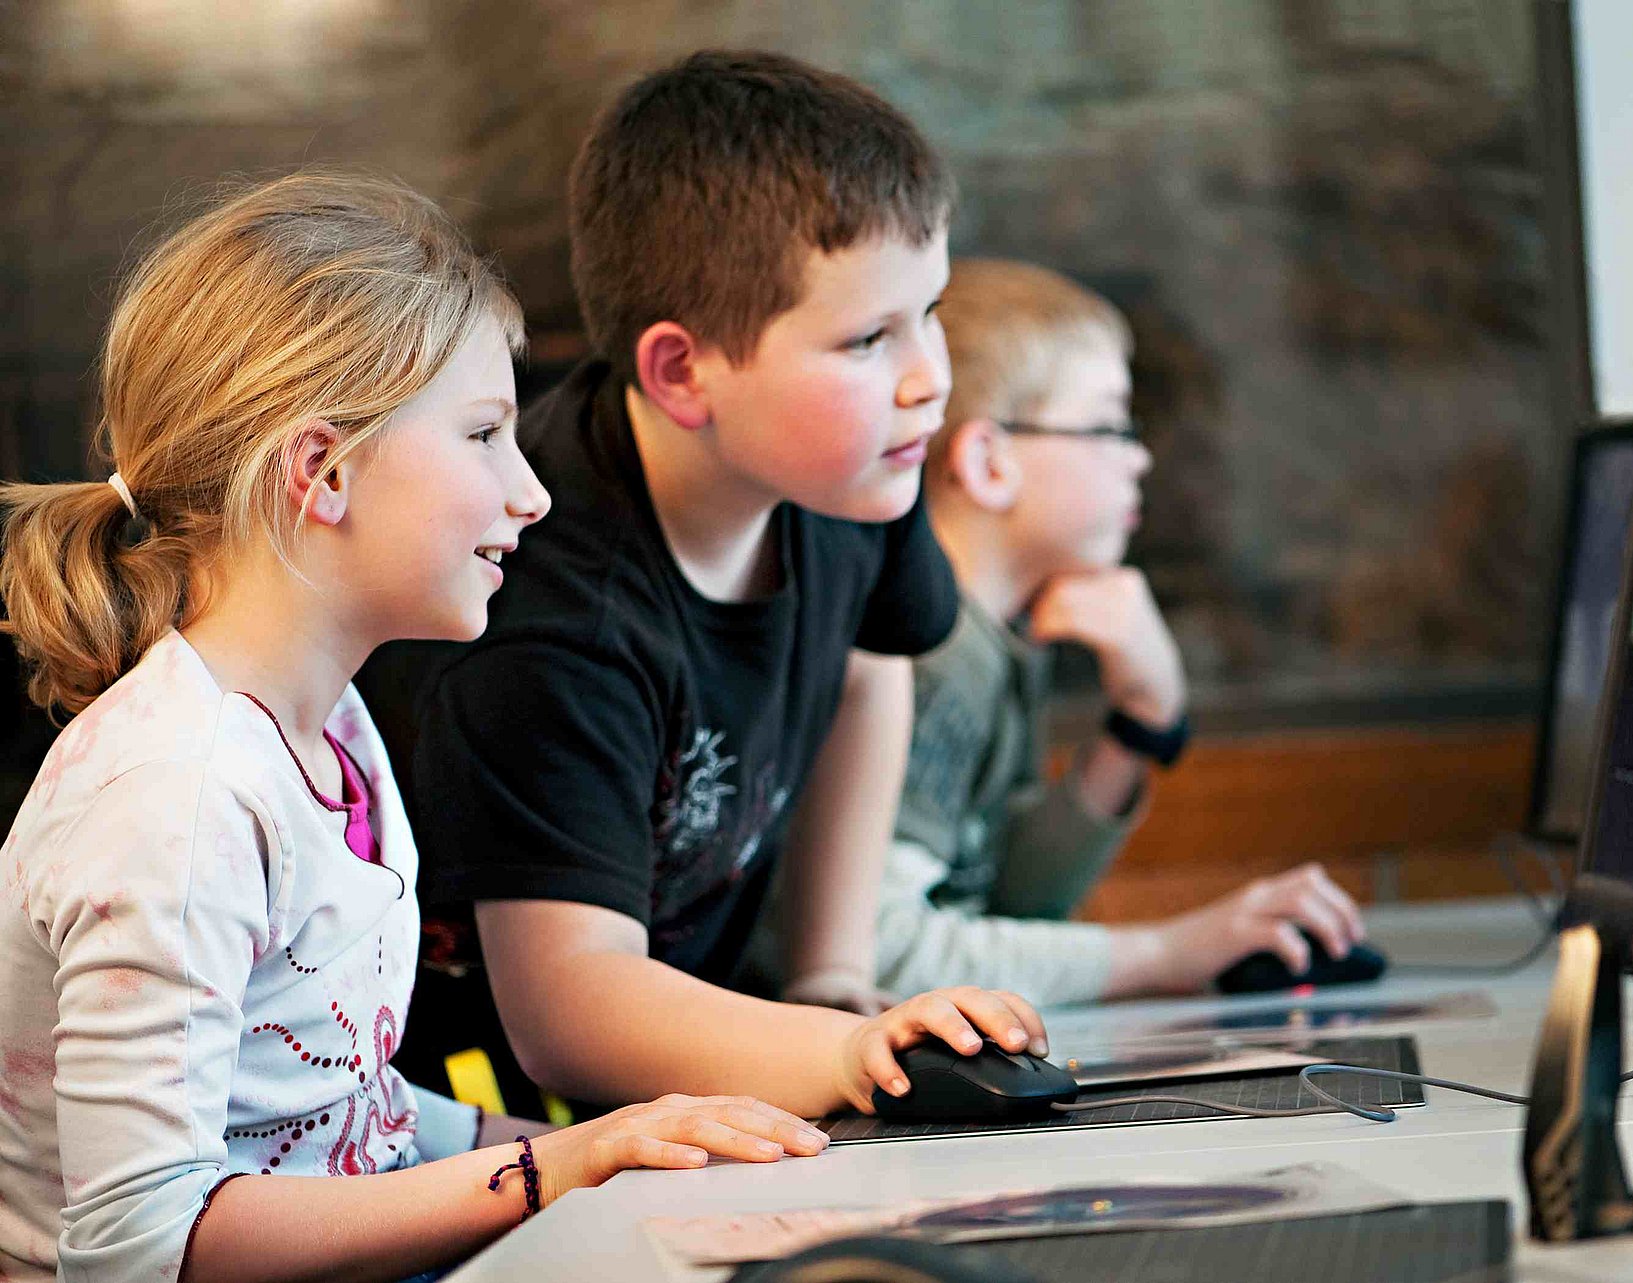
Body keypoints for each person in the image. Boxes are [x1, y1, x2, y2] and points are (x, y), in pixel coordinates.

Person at [0, 172, 834, 1283]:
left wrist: (631, 1156)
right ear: (322, 469)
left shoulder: (332, 726)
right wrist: (554, 1171)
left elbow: (342, 1114)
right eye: (485, 434)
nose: (530, 492)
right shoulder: (178, 796)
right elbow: (144, 1242)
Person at [361, 50, 1046, 1124]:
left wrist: (830, 965)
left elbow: (870, 669)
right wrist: (850, 1048)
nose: (930, 378)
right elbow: (569, 1005)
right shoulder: (547, 604)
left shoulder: (856, 464)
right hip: (473, 1108)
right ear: (683, 372)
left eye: (932, 311)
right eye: (869, 337)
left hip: (689, 1071)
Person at [862, 258, 1368, 1005]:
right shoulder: (934, 656)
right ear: (987, 461)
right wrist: (1172, 950)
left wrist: (1139, 721)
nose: (1141, 456)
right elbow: (885, 959)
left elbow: (999, 905)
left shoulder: (993, 644)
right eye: (1110, 425)